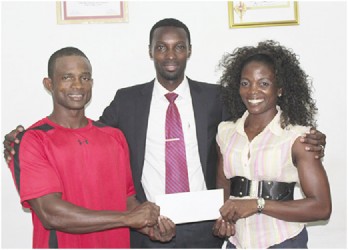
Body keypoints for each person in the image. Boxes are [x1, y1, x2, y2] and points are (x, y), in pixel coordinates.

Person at [3, 19, 327, 248]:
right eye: (162, 47)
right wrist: (21, 137)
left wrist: (311, 138)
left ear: (189, 50)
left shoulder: (217, 97)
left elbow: (259, 124)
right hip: (150, 228)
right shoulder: (127, 100)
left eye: (178, 47)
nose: (170, 55)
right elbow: (85, 133)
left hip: (211, 228)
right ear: (151, 52)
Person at [7, 47, 175, 248]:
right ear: (49, 84)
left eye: (85, 78)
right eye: (67, 77)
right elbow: (50, 213)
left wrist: (150, 227)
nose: (77, 85)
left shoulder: (114, 136)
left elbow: (127, 200)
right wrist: (127, 219)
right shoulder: (33, 140)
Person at [212, 40, 332, 248]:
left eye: (264, 83)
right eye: (245, 83)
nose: (253, 91)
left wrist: (258, 205)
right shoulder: (226, 132)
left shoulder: (298, 138)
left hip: (283, 241)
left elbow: (321, 207)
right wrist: (223, 218)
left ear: (280, 89)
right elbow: (223, 187)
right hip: (237, 243)